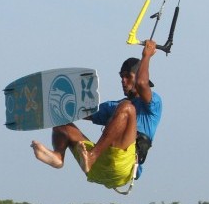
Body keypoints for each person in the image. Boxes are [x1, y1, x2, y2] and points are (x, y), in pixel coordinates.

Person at [30, 40, 162, 190]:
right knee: (62, 119)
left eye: (127, 76)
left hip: (124, 167)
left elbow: (142, 84)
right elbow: (74, 111)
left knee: (127, 108)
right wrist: (45, 102)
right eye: (121, 77)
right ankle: (58, 156)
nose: (123, 81)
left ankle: (92, 156)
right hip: (97, 168)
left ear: (137, 76)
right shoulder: (114, 106)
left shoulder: (153, 105)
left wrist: (147, 56)